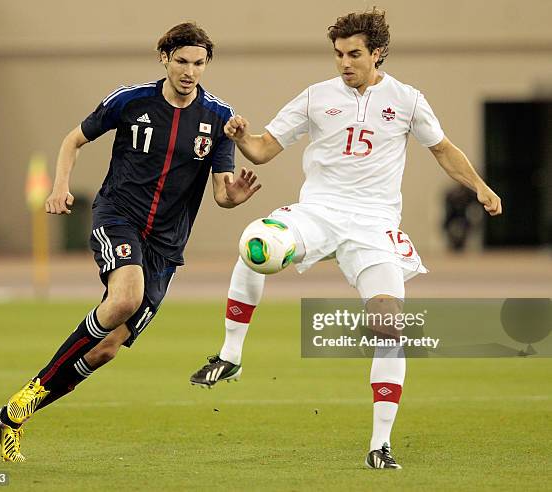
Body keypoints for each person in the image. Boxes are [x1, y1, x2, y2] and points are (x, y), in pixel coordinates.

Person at [190, 8, 502, 469]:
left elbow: (443, 149)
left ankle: (380, 445)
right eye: (338, 54)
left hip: (374, 226)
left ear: (378, 54)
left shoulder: (408, 100)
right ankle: (231, 354)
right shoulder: (316, 98)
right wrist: (240, 136)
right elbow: (262, 149)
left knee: (388, 326)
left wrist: (479, 186)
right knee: (255, 244)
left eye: (354, 54)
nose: (344, 63)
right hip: (318, 212)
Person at [0, 22, 261, 462]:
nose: (190, 71)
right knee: (124, 298)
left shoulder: (218, 118)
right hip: (119, 217)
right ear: (164, 59)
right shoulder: (131, 100)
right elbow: (72, 140)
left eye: (199, 63)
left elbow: (222, 193)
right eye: (182, 61)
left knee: (107, 349)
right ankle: (28, 394)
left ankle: (13, 415)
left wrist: (235, 197)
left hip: (166, 247)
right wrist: (60, 187)